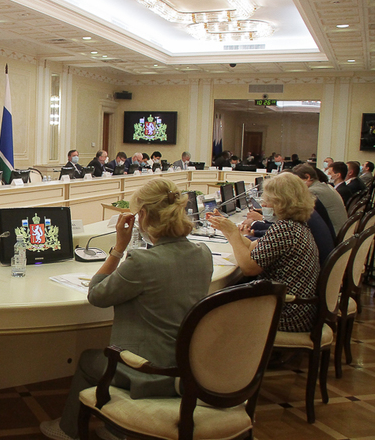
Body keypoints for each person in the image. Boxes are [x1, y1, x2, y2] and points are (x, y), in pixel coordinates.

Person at [40, 178, 212, 440]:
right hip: (189, 369)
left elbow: (96, 295)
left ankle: (69, 430)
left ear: (142, 215)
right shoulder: (203, 253)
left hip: (148, 371)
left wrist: (119, 248)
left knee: (88, 360)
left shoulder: (142, 262)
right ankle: (113, 427)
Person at [209, 173, 319, 332]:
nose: (263, 204)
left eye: (267, 200)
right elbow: (252, 246)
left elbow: (248, 268)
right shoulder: (295, 226)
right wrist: (226, 228)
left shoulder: (285, 229)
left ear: (281, 202)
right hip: (296, 308)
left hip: (285, 314)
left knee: (210, 312)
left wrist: (233, 233)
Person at [292, 163, 347, 236]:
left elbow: (303, 216)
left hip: (334, 234)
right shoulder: (325, 186)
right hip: (341, 232)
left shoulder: (313, 191)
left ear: (307, 177)